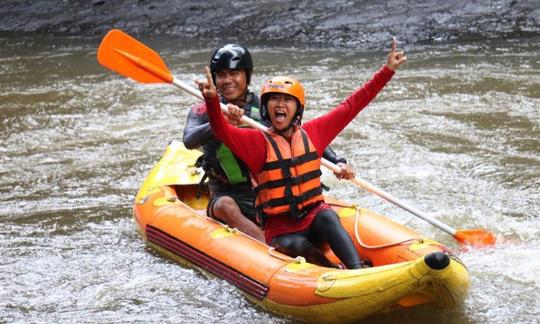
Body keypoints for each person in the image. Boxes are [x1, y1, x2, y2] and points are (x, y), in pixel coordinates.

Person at [196, 39, 407, 269]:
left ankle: (357, 269)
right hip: (281, 233)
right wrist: (212, 100)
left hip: (314, 222)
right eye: (274, 99)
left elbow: (353, 105)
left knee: (328, 217)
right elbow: (222, 132)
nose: (280, 104)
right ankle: (332, 270)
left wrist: (387, 71)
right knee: (296, 245)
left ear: (298, 109)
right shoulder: (256, 143)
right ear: (265, 109)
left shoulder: (314, 132)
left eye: (288, 100)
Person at [183, 44, 354, 243]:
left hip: (268, 189)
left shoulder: (265, 105)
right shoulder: (205, 109)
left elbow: (302, 137)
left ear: (247, 75)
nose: (228, 81)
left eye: (234, 74)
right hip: (226, 191)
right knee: (226, 206)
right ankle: (271, 251)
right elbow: (189, 140)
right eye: (221, 75)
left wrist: (337, 161)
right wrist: (219, 123)